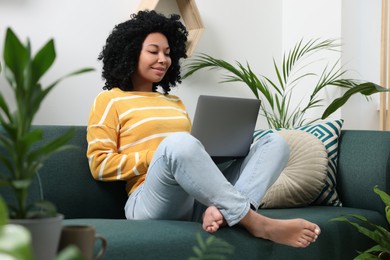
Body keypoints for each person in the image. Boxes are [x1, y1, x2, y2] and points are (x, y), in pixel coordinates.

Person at [86, 10, 321, 248]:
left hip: (195, 198)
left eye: (168, 53)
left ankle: (224, 213)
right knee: (178, 143)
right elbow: (100, 164)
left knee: (275, 143)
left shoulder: (174, 102)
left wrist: (215, 152)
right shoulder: (109, 100)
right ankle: (254, 222)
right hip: (149, 199)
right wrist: (158, 155)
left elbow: (188, 156)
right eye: (153, 51)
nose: (163, 59)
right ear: (131, 51)